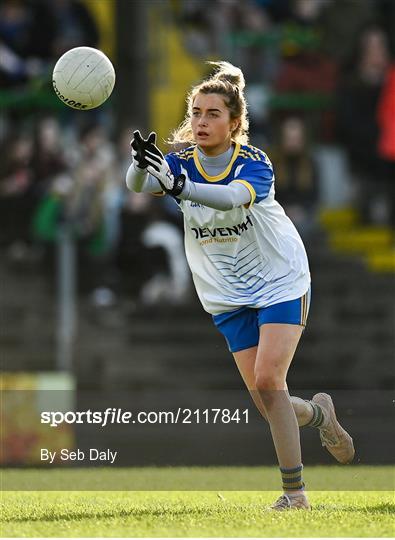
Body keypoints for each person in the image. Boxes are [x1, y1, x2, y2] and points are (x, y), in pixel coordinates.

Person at [126, 61, 355, 511]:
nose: (201, 121)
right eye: (195, 112)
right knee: (269, 400)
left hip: (279, 279)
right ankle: (320, 414)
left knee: (270, 380)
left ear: (234, 123)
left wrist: (180, 187)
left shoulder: (254, 162)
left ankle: (295, 495)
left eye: (212, 113)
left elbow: (231, 197)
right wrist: (139, 167)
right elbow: (137, 186)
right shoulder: (179, 162)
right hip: (226, 292)